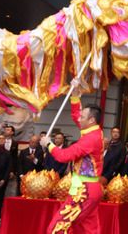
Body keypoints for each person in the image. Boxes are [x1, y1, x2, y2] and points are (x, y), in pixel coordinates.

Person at [39, 93, 105, 234]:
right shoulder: (93, 131)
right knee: (87, 229)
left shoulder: (90, 139)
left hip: (84, 191)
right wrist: (75, 96)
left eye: (83, 117)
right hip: (88, 188)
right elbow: (76, 116)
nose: (79, 119)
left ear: (91, 120)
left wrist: (49, 144)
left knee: (58, 227)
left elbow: (64, 156)